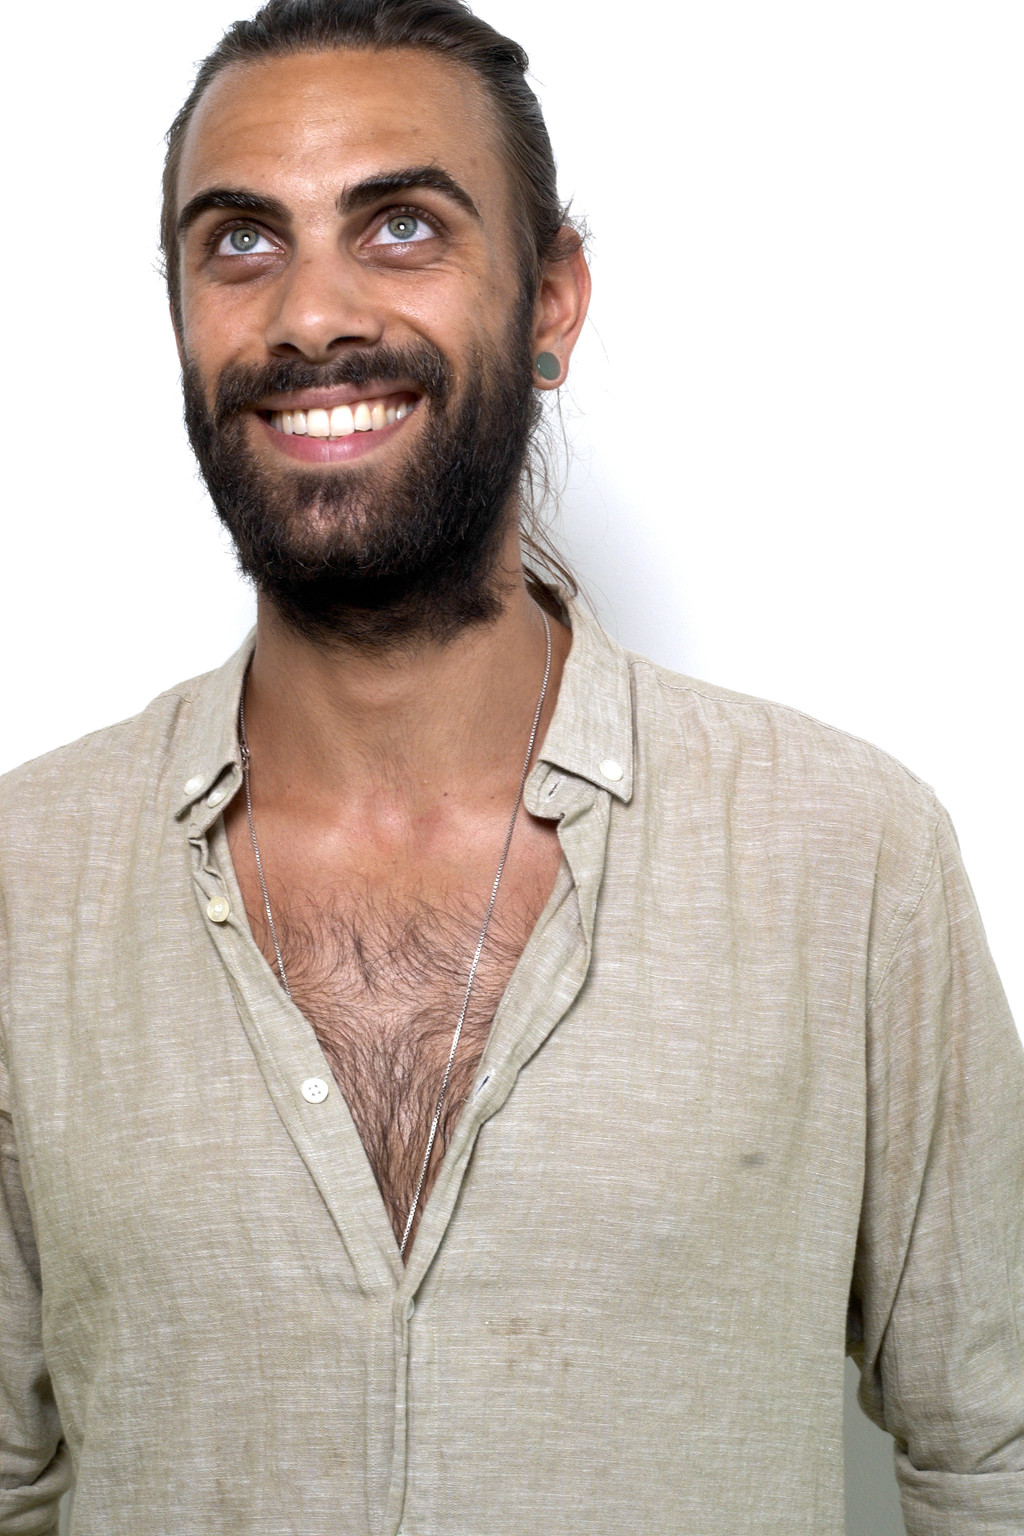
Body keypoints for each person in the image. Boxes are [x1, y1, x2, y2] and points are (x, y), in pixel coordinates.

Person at [1, 0, 1021, 1531]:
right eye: (242, 242)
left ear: (551, 298)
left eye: (401, 226)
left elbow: (994, 1454)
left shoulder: (848, 855)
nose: (310, 316)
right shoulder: (26, 883)